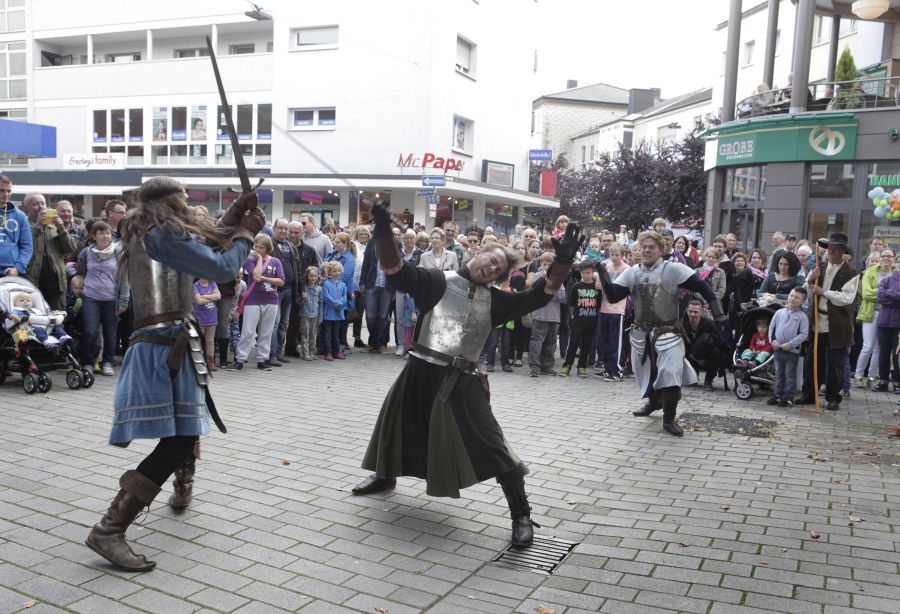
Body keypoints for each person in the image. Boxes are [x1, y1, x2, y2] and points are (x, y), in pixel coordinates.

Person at [351, 201, 581, 549]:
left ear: (499, 277)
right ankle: (385, 476)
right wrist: (383, 230)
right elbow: (396, 271)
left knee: (493, 443)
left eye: (498, 268)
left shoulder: (497, 302)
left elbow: (540, 295)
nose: (491, 266)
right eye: (490, 259)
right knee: (398, 427)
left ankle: (521, 514)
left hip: (462, 380)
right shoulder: (436, 281)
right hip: (419, 371)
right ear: (477, 254)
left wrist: (562, 262)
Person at [85, 177, 263, 572]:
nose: (187, 205)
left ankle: (180, 489)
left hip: (170, 343)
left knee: (186, 427)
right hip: (162, 347)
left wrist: (236, 212)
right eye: (183, 200)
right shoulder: (162, 234)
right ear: (169, 203)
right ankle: (109, 530)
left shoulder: (153, 230)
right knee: (180, 438)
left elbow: (205, 241)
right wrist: (246, 235)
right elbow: (219, 266)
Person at [598, 231, 724, 436]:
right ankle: (654, 402)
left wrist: (718, 313)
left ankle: (669, 419)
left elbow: (702, 286)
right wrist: (601, 272)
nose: (647, 250)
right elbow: (613, 296)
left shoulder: (672, 269)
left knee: (670, 373)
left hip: (669, 331)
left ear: (661, 249)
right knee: (646, 373)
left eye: (652, 247)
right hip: (641, 332)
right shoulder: (632, 272)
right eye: (644, 247)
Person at [796, 232, 859, 411]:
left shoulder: (852, 273)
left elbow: (847, 298)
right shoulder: (819, 267)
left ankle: (833, 397)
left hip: (838, 323)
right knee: (813, 359)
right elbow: (806, 294)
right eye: (829, 248)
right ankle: (809, 394)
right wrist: (810, 280)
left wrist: (823, 292)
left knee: (836, 362)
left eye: (835, 249)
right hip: (817, 320)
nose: (830, 251)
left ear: (843, 252)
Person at [77, 221, 128, 376]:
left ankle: (107, 362)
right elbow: (80, 273)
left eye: (107, 233)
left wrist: (123, 300)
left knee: (110, 333)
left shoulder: (119, 253)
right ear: (94, 236)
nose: (105, 236)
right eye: (101, 233)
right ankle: (87, 363)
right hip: (91, 297)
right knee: (89, 331)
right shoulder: (86, 253)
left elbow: (124, 278)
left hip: (111, 298)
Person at [228, 233, 284, 371]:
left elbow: (281, 281)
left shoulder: (275, 261)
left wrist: (267, 279)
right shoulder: (250, 260)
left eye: (261, 247)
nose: (258, 249)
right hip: (253, 300)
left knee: (266, 331)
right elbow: (256, 276)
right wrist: (259, 258)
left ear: (267, 248)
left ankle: (262, 359)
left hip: (271, 300)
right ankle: (240, 359)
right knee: (248, 331)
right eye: (256, 247)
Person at [24, 193, 77, 310]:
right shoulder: (23, 226)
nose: (40, 207)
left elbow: (71, 248)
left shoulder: (54, 226)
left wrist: (62, 229)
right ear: (27, 209)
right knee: (35, 317)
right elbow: (25, 249)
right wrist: (38, 227)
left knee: (57, 318)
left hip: (57, 285)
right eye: (36, 204)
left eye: (43, 203)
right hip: (33, 283)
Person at [854, 250, 892, 387]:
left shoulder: (896, 274)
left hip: (887, 314)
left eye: (889, 256)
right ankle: (858, 375)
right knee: (868, 345)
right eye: (883, 256)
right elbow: (866, 294)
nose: (886, 258)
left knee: (878, 348)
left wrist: (883, 292)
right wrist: (886, 292)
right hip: (871, 313)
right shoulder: (870, 272)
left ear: (893, 258)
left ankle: (872, 377)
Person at [768, 287, 809, 407]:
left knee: (790, 375)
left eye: (797, 297)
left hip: (792, 351)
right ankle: (777, 395)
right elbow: (771, 328)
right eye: (791, 295)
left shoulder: (802, 317)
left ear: (802, 301)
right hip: (778, 349)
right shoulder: (779, 313)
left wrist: (790, 344)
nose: (792, 299)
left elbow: (803, 334)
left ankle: (788, 397)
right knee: (778, 373)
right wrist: (773, 341)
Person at [528, 252, 567, 377]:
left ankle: (547, 366)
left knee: (551, 343)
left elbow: (563, 297)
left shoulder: (558, 279)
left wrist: (550, 290)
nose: (547, 267)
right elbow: (534, 293)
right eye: (544, 264)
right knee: (536, 342)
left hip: (554, 317)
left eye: (550, 265)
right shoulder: (537, 277)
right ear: (541, 264)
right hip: (539, 315)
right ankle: (534, 367)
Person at [595, 242, 629, 381]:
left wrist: (608, 286)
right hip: (604, 308)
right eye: (612, 254)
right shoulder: (606, 266)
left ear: (622, 255)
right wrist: (609, 286)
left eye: (617, 255)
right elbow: (598, 285)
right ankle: (608, 368)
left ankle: (616, 372)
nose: (614, 257)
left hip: (617, 309)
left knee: (615, 342)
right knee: (604, 341)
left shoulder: (626, 269)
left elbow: (621, 287)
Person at [268, 219, 300, 366]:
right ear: (274, 228)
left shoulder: (291, 246)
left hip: (289, 290)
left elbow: (297, 269)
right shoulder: (269, 244)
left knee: (283, 324)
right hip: (275, 290)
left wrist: (299, 289)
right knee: (274, 324)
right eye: (280, 228)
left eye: (285, 228)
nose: (283, 231)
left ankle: (278, 352)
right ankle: (271, 354)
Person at [561, 260, 599, 378]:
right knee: (573, 343)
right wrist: (573, 316)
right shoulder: (576, 286)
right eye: (583, 273)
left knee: (587, 345)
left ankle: (582, 366)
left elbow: (599, 304)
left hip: (591, 321)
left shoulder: (596, 287)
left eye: (588, 273)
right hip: (578, 321)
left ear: (593, 272)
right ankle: (567, 365)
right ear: (580, 273)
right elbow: (572, 304)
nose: (586, 275)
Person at [682, 299, 726, 391]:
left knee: (716, 352)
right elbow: (684, 347)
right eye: (690, 311)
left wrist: (704, 355)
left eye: (695, 312)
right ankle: (692, 375)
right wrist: (695, 358)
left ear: (701, 312)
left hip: (708, 357)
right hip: (692, 357)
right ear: (686, 311)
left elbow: (720, 342)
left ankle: (708, 381)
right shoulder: (684, 326)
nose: (692, 315)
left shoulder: (710, 324)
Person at [325, 231, 358, 354]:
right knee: (330, 320)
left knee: (342, 318)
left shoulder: (349, 258)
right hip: (329, 290)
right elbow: (323, 269)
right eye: (335, 242)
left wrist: (327, 278)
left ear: (345, 244)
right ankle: (330, 345)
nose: (335, 244)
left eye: (338, 242)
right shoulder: (331, 254)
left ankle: (342, 344)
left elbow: (344, 276)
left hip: (343, 292)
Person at [872, 253, 900, 393]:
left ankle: (897, 382)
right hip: (884, 322)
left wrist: (889, 293)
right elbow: (880, 298)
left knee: (897, 354)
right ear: (896, 263)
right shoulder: (886, 280)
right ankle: (883, 380)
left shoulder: (886, 284)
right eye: (899, 262)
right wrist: (896, 298)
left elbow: (886, 296)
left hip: (898, 324)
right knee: (883, 353)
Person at [5, 291, 71, 348]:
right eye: (21, 300)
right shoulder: (17, 310)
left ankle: (63, 337)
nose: (25, 302)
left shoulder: (36, 310)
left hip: (44, 327)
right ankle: (46, 343)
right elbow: (11, 315)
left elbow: (43, 316)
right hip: (29, 330)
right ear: (15, 304)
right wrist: (13, 316)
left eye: (28, 300)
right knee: (37, 329)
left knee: (56, 325)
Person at [0, 174, 33, 278]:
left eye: (8, 191)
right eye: (1, 190)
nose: (6, 194)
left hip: (12, 272)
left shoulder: (20, 216)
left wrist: (18, 268)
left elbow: (27, 246)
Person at [321, 261, 348, 361]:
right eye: (334, 271)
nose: (337, 273)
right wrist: (335, 304)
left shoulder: (343, 285)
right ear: (329, 272)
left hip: (338, 313)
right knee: (327, 334)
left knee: (336, 334)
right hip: (328, 313)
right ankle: (327, 353)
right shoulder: (326, 284)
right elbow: (326, 297)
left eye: (338, 271)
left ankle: (336, 352)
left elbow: (344, 298)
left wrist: (340, 304)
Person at [192, 278, 220, 371]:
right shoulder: (196, 285)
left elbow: (218, 296)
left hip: (212, 318)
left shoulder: (213, 283)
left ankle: (211, 361)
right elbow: (199, 301)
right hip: (200, 318)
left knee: (210, 341)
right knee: (200, 340)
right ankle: (200, 360)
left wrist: (203, 296)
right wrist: (212, 296)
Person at [298, 265, 323, 361]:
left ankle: (312, 352)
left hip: (315, 315)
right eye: (311, 276)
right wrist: (302, 298)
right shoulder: (303, 288)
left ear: (318, 277)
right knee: (305, 335)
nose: (313, 278)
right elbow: (298, 302)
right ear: (307, 276)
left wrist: (320, 317)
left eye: (315, 276)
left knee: (313, 335)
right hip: (305, 315)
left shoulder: (319, 289)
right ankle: (305, 353)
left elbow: (321, 303)